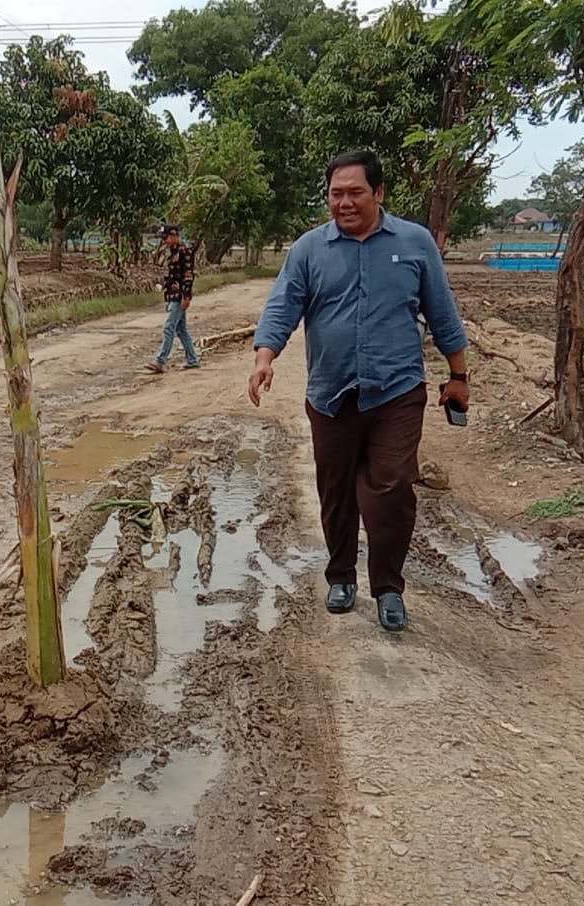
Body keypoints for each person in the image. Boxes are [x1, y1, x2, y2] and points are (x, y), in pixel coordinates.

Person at [248, 149, 470, 632]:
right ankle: (341, 575)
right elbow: (283, 305)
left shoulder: (414, 243)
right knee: (335, 490)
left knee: (390, 486)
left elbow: (442, 311)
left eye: (355, 192)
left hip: (397, 389)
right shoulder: (309, 249)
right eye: (335, 194)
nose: (344, 202)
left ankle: (388, 586)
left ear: (379, 193)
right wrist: (265, 356)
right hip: (330, 392)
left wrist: (459, 377)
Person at [142, 224, 200, 373]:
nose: (164, 241)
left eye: (166, 238)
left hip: (180, 296)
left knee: (169, 328)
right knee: (181, 329)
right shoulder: (172, 253)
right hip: (173, 296)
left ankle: (160, 361)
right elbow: (170, 278)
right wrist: (167, 299)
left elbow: (188, 275)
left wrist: (186, 296)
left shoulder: (185, 252)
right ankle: (192, 359)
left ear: (174, 235)